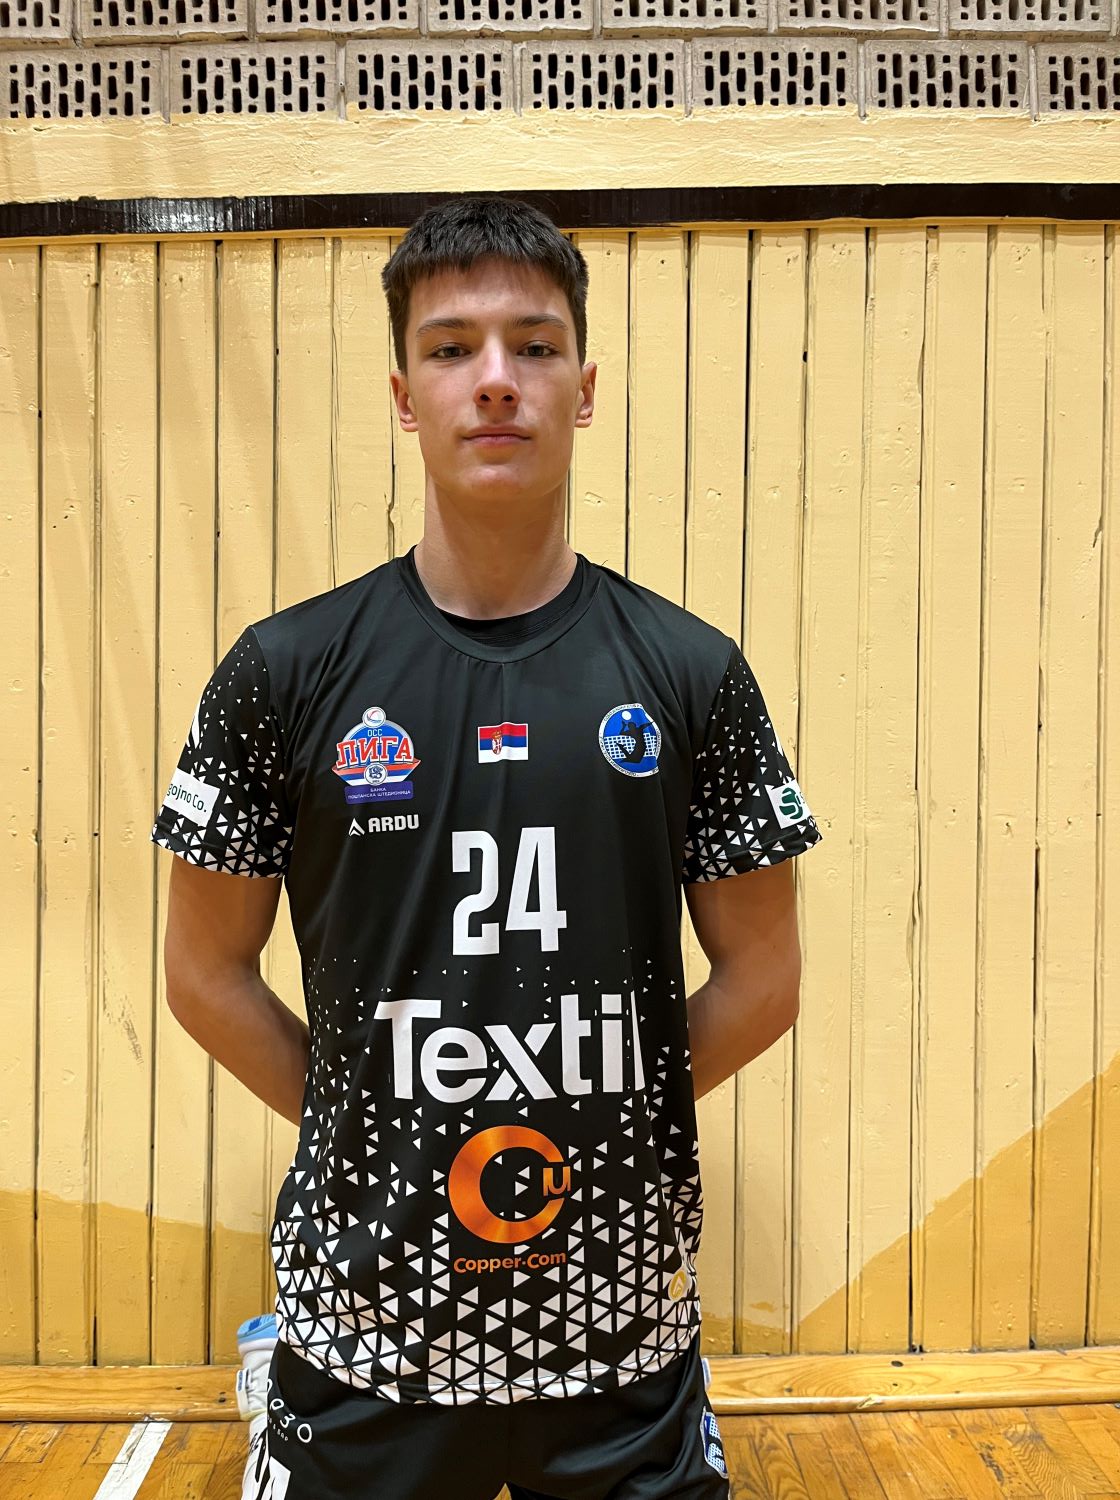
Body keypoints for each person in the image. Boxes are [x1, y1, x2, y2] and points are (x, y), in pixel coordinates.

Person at [151, 193, 824, 1500]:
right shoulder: (282, 672)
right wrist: (369, 1110)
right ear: (405, 396)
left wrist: (608, 1106)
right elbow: (202, 973)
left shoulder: (694, 673)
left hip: (617, 1336)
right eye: (453, 348)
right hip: (369, 1335)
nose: (497, 379)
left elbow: (765, 977)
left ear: (586, 388)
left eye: (536, 344)